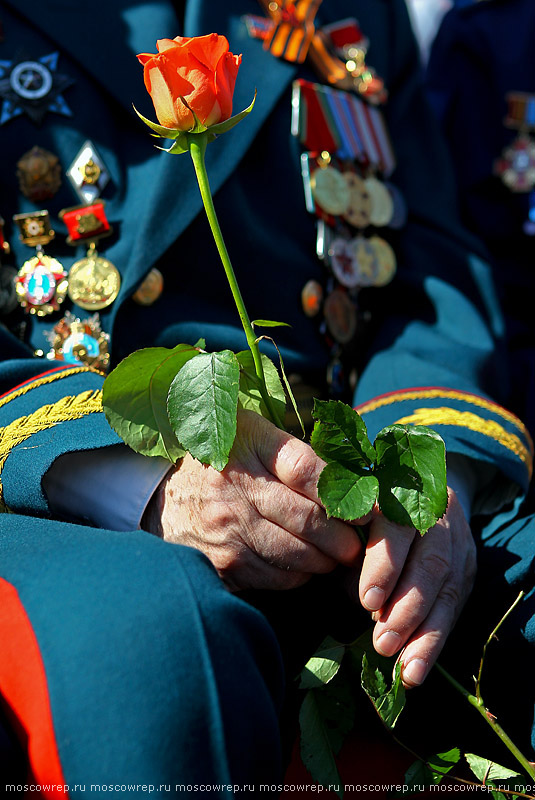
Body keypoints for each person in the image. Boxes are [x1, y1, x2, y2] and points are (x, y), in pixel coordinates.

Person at [0, 0, 532, 793]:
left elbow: (427, 271)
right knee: (152, 646)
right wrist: (137, 478)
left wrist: (429, 479)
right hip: (53, 480)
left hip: (345, 481)